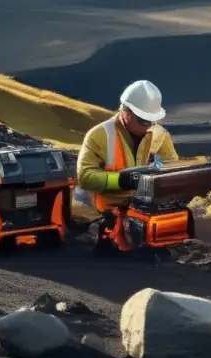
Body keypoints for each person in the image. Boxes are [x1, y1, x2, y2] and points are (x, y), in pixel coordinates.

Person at [72, 80, 179, 242]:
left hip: (145, 207)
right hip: (107, 210)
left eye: (152, 120)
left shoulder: (159, 134)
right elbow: (85, 177)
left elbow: (173, 167)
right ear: (125, 111)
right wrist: (122, 180)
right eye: (143, 120)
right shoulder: (99, 135)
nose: (148, 125)